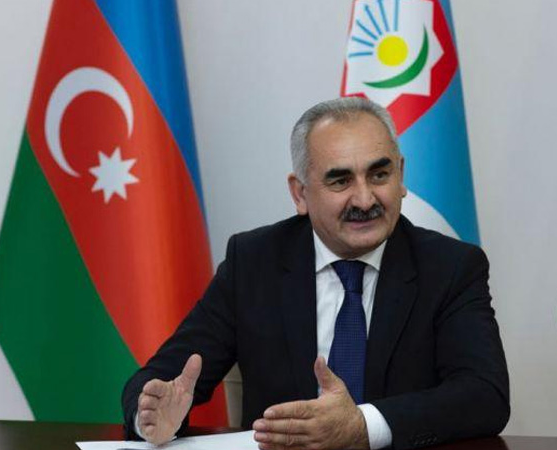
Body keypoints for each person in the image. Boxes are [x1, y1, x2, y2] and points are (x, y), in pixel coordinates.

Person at [121, 97, 509, 450]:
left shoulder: (451, 267)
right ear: (300, 194)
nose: (365, 199)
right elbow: (161, 380)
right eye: (340, 181)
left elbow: (484, 394)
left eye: (379, 175)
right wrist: (152, 415)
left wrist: (362, 426)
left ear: (401, 175)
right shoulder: (254, 263)